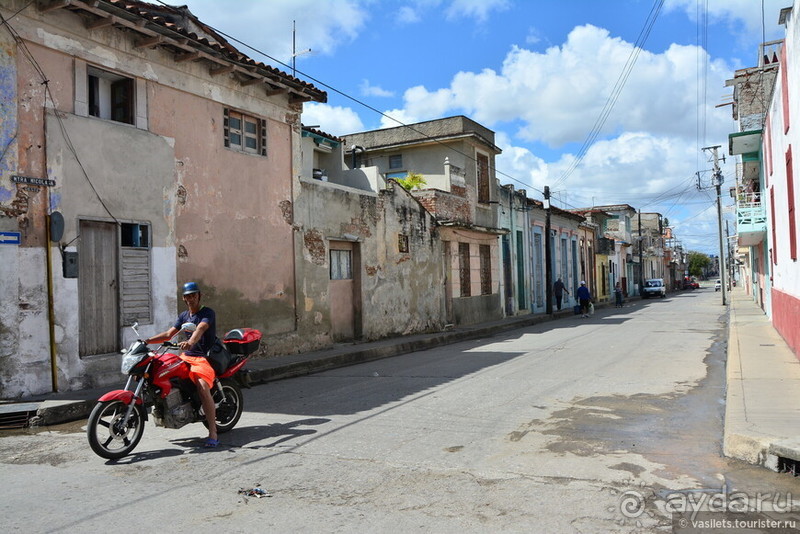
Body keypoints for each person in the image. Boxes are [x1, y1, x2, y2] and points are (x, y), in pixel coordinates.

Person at [146, 282, 219, 448]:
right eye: (187, 296)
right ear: (183, 298)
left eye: (193, 295)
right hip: (186, 357)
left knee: (202, 387)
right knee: (161, 369)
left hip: (203, 358)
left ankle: (213, 432)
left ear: (199, 296)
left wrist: (190, 342)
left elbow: (200, 329)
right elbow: (168, 334)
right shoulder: (184, 316)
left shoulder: (207, 313)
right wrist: (147, 340)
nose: (190, 298)